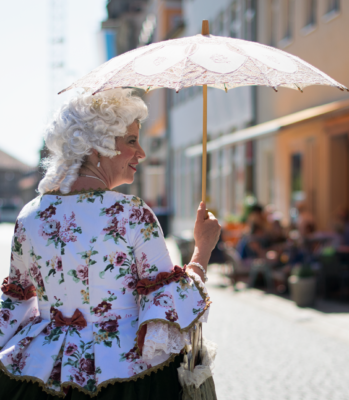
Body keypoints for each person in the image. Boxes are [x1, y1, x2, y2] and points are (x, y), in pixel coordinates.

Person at [0, 89, 221, 400]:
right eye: (131, 140)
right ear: (96, 148)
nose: (141, 152)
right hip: (125, 373)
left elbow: (16, 302)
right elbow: (168, 303)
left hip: (41, 367)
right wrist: (203, 249)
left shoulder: (31, 215)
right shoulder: (130, 213)